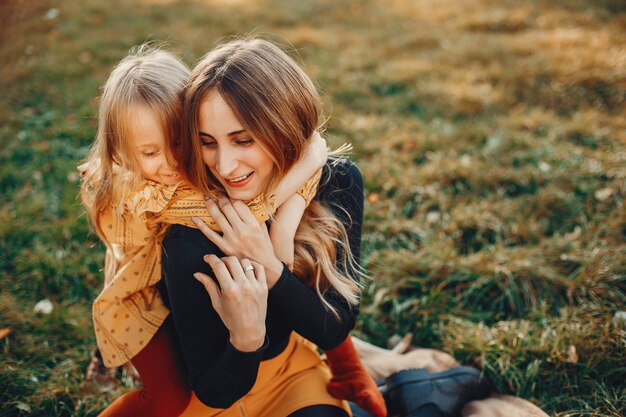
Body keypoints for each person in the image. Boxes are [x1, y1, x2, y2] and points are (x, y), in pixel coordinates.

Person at [79, 44, 330, 417]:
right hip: (137, 303)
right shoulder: (157, 194)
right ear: (123, 153)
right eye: (149, 153)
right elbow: (242, 212)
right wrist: (310, 159)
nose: (171, 162)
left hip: (170, 288)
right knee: (167, 400)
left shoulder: (202, 166)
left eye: (180, 141)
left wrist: (302, 179)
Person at [160, 38, 381, 417]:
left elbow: (333, 327)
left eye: (243, 140)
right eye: (207, 143)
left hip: (290, 374)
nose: (225, 166)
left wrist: (269, 264)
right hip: (208, 399)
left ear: (285, 125)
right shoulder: (191, 236)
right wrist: (246, 339)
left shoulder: (336, 182)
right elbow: (213, 390)